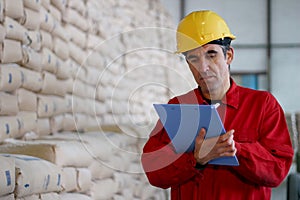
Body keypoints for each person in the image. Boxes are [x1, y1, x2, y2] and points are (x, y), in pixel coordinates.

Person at [141, 10, 294, 200]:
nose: (202, 67)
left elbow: (277, 171)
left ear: (228, 55)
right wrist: (196, 159)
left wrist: (234, 149)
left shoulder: (262, 105)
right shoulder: (179, 108)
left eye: (211, 54)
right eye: (193, 58)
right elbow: (153, 169)